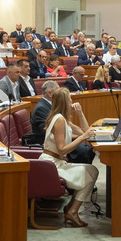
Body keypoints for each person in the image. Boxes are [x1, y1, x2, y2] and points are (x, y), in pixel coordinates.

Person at [41, 88, 98, 227]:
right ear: (64, 102)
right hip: (51, 165)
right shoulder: (59, 120)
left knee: (92, 170)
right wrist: (82, 138)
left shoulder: (63, 118)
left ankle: (71, 209)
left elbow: (86, 131)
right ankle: (72, 211)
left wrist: (80, 113)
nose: (72, 101)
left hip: (57, 162)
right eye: (70, 99)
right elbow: (62, 149)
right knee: (91, 172)